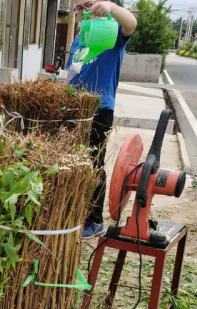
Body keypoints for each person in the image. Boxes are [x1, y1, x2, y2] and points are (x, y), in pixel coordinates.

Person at [65, 1, 137, 238]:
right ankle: (76, 213)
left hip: (99, 109)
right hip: (74, 109)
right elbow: (72, 73)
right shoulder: (79, 39)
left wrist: (110, 7)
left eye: (87, 5)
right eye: (78, 9)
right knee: (72, 162)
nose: (82, 12)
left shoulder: (112, 32)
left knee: (92, 163)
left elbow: (131, 23)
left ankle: (94, 221)